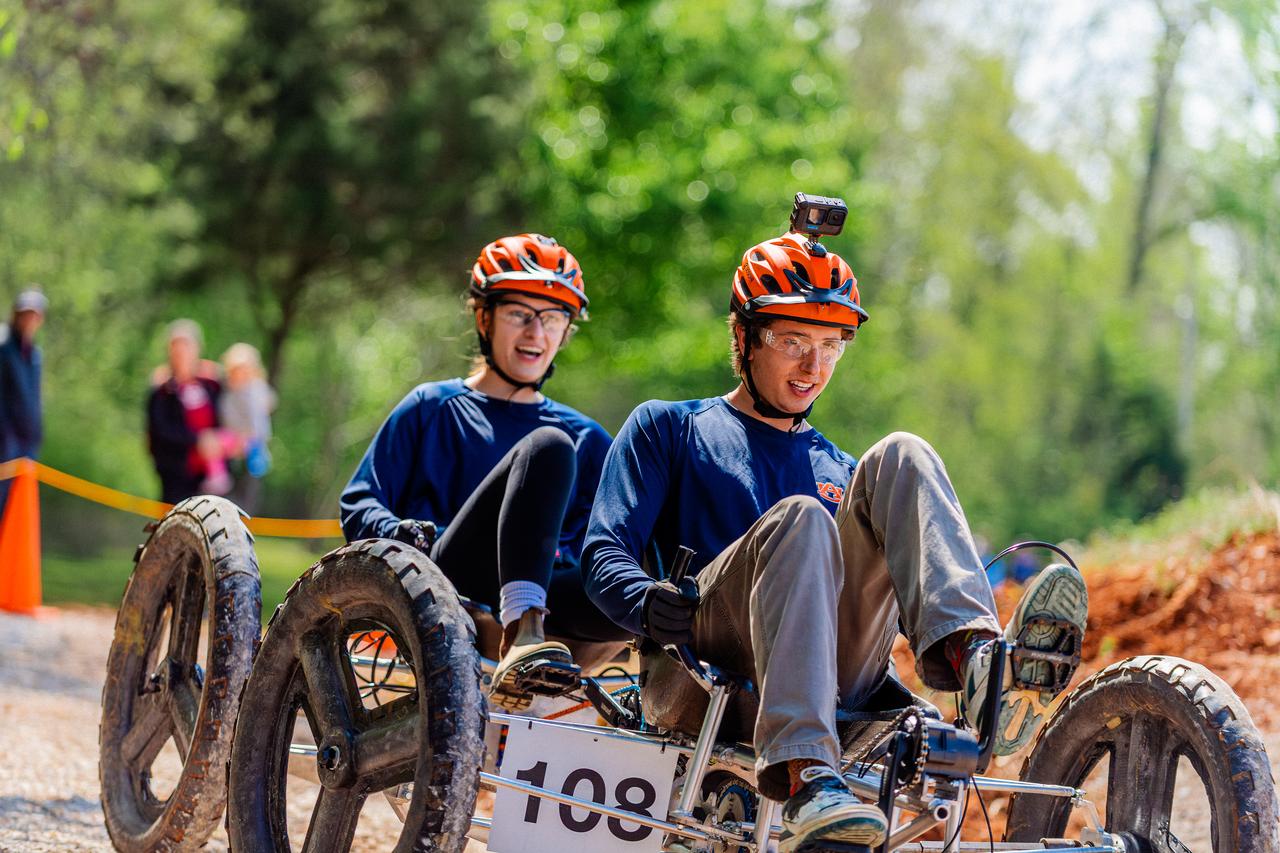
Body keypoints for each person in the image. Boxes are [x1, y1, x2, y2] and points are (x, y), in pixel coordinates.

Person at [583, 223, 1088, 850]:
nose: (813, 365)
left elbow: (878, 610)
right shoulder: (670, 428)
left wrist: (912, 706)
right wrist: (645, 601)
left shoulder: (845, 474)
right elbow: (602, 553)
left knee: (904, 452)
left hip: (832, 679)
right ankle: (806, 778)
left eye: (831, 344)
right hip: (704, 668)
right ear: (743, 336)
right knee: (801, 519)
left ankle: (977, 661)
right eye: (793, 340)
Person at [341, 233, 630, 709]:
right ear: (484, 317)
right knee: (548, 448)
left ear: (565, 332)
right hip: (448, 583)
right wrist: (396, 530)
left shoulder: (590, 438)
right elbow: (359, 502)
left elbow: (603, 545)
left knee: (634, 586)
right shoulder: (432, 408)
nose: (536, 332)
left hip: (553, 602)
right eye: (521, 314)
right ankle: (521, 631)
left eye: (553, 318)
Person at [146, 320, 230, 503]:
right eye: (176, 346)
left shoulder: (212, 383)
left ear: (197, 348)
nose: (181, 352)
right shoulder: (162, 388)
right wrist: (197, 439)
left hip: (213, 473)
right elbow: (160, 429)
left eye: (186, 345)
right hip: (176, 473)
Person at [0, 288, 47, 510]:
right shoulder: (4, 348)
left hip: (27, 444)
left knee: (18, 507)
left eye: (34, 315)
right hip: (5, 444)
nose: (30, 320)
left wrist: (36, 436)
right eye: (25, 313)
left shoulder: (34, 355)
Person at [220, 342, 276, 514]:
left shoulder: (257, 390)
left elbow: (265, 410)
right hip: (232, 448)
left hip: (253, 449)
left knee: (248, 496)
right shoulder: (228, 394)